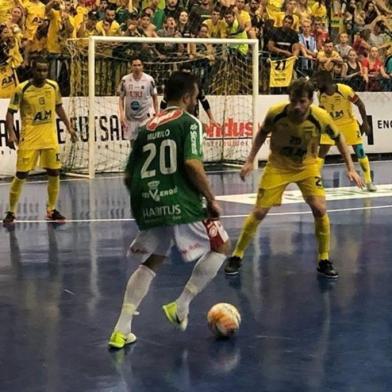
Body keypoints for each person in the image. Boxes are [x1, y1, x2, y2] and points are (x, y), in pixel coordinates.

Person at [108, 71, 230, 349]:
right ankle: (181, 305)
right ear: (188, 97)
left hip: (148, 201)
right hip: (181, 202)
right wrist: (211, 198)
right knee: (221, 245)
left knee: (153, 259)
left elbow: (129, 177)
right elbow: (192, 164)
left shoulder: (147, 126)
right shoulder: (190, 123)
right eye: (196, 97)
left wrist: (147, 199)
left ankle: (121, 329)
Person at [224, 78, 363, 278]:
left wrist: (350, 167)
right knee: (260, 211)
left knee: (320, 208)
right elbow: (262, 134)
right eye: (294, 101)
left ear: (311, 101)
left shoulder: (321, 117)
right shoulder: (276, 113)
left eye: (302, 102)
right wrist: (250, 160)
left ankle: (323, 259)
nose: (297, 106)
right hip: (278, 166)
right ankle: (237, 255)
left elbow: (339, 137)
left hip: (307, 166)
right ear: (289, 98)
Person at [3, 56, 77, 225]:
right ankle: (11, 211)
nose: (43, 73)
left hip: (50, 138)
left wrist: (69, 126)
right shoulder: (22, 89)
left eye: (45, 70)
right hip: (29, 139)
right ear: (33, 70)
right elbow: (10, 112)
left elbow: (58, 107)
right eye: (39, 70)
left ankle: (51, 210)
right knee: (22, 174)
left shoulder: (53, 87)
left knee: (54, 172)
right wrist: (11, 133)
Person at [313, 70, 377, 192]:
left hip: (349, 124)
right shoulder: (320, 94)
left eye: (318, 81)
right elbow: (322, 111)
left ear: (326, 81)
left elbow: (361, 105)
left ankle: (368, 181)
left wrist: (365, 122)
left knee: (359, 151)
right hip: (331, 125)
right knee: (322, 152)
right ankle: (314, 181)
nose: (316, 83)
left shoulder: (344, 90)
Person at [118, 56, 159, 147]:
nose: (137, 67)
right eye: (134, 65)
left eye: (139, 65)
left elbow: (155, 98)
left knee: (146, 143)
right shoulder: (125, 80)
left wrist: (157, 114)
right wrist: (121, 115)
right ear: (131, 67)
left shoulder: (149, 80)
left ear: (142, 66)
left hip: (145, 118)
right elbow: (121, 99)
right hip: (130, 118)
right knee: (133, 146)